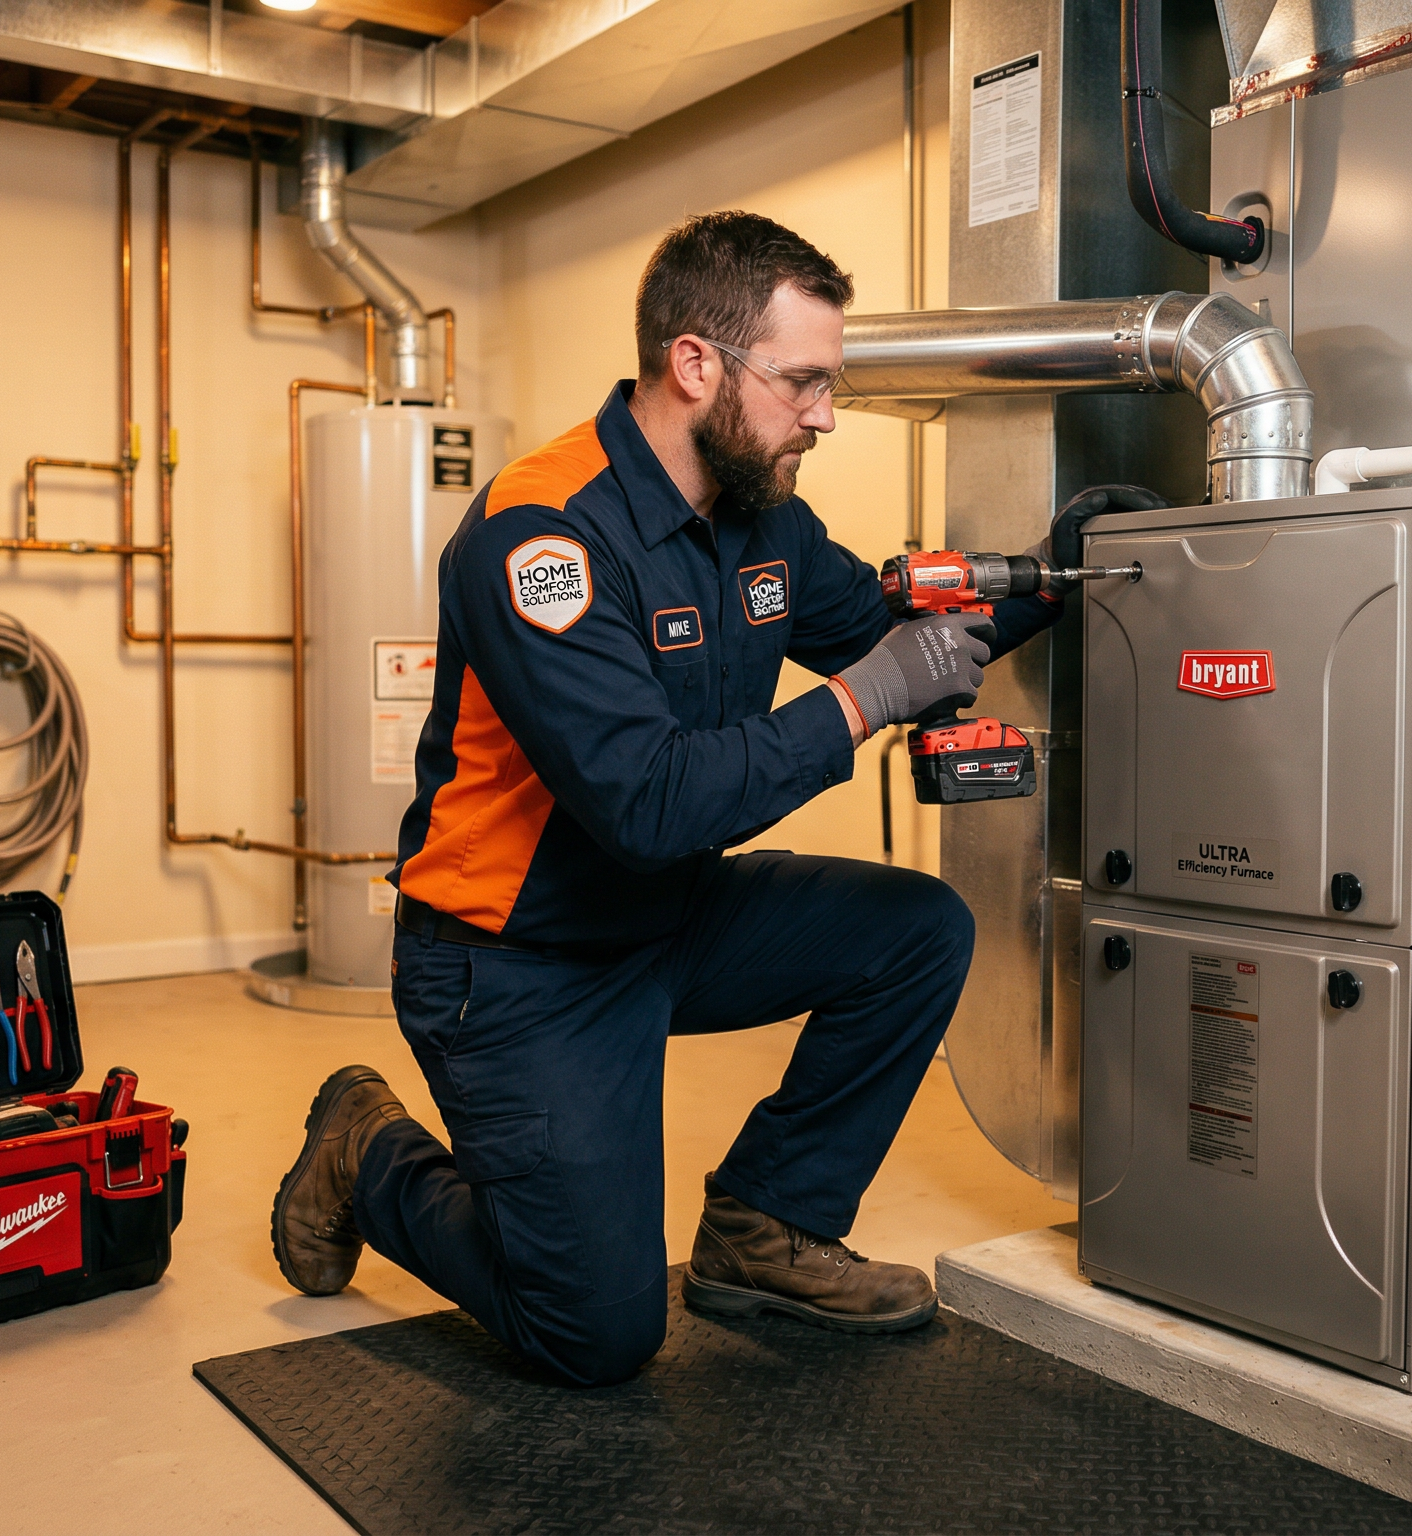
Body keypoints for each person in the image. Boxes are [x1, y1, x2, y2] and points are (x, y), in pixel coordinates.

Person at [268, 211, 1061, 1388]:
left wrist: (1063, 571)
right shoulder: (539, 534)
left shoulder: (764, 522)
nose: (825, 415)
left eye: (828, 385)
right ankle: (362, 1150)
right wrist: (860, 702)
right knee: (595, 1334)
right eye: (802, 383)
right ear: (696, 364)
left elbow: (903, 642)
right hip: (516, 963)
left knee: (919, 932)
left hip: (663, 919)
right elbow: (644, 801)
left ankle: (763, 1227)